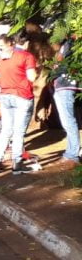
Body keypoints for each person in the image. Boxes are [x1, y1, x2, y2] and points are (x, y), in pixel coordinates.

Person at [0, 34, 37, 174]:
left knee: (6, 130)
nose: (1, 48)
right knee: (18, 132)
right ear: (12, 42)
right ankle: (17, 164)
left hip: (5, 96)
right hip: (22, 96)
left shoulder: (1, 59)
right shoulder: (27, 56)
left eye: (1, 46)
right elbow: (32, 77)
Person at [51, 36, 81, 169]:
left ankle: (73, 155)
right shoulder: (64, 45)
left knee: (68, 121)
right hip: (61, 86)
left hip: (66, 85)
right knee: (66, 122)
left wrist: (54, 71)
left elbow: (67, 65)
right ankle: (70, 153)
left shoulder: (71, 43)